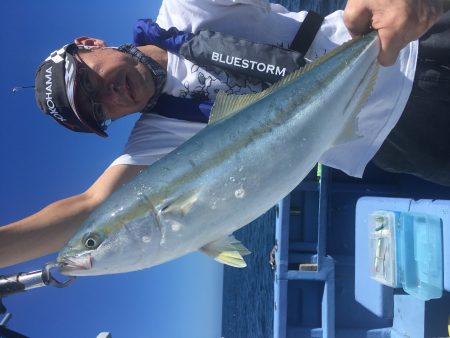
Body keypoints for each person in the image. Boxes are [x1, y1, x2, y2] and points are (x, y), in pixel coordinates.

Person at [0, 0, 448, 268]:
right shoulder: (161, 139)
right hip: (398, 143)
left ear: (91, 44)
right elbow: (89, 210)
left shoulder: (189, 9)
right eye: (98, 110)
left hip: (414, 45)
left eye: (91, 80)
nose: (109, 94)